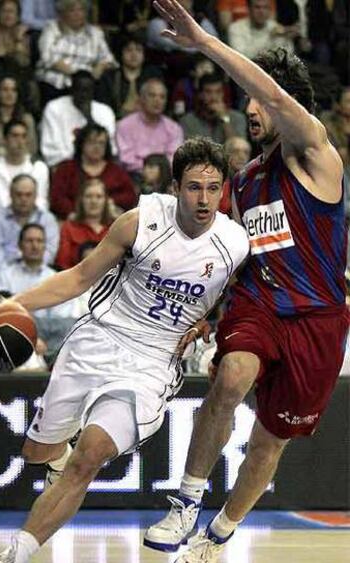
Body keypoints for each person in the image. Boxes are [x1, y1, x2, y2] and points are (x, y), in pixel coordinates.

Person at [143, 2, 349, 561]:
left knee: (269, 441)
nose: (250, 110)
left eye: (256, 98)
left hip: (318, 318)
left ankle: (220, 533)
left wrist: (206, 43)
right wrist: (201, 315)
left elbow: (280, 100)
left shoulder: (314, 151)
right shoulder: (249, 179)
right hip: (259, 305)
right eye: (247, 101)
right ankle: (186, 499)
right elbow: (235, 259)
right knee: (232, 375)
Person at [0, 136, 250, 563]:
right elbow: (78, 277)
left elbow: (246, 298)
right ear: (174, 188)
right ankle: (59, 460)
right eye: (193, 187)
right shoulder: (140, 221)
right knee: (38, 454)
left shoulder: (234, 243)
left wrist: (214, 323)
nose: (204, 199)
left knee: (88, 458)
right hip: (99, 339)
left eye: (213, 188)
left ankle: (14, 554)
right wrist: (15, 304)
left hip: (151, 363)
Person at [0, 223, 74, 357]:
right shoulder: (5, 275)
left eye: (39, 241)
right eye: (29, 241)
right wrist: (29, 336)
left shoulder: (56, 277)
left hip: (49, 340)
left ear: (45, 246)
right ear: (20, 245)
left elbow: (61, 320)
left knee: (69, 325)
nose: (35, 246)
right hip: (12, 335)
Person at [36, 0, 116, 105]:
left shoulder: (95, 33)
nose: (77, 14)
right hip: (57, 80)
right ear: (63, 13)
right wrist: (76, 75)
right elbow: (46, 57)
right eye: (72, 10)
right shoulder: (52, 29)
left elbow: (108, 58)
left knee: (102, 84)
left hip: (89, 80)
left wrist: (98, 68)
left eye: (81, 10)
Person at [50, 123, 136, 220]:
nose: (97, 147)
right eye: (92, 142)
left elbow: (130, 196)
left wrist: (107, 203)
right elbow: (57, 198)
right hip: (73, 219)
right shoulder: (66, 169)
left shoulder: (116, 171)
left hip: (109, 220)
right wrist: (77, 211)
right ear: (81, 144)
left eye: (101, 143)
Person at [0, 174, 59, 275]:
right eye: (19, 194)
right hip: (3, 277)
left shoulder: (48, 219)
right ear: (10, 195)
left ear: (36, 196)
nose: (23, 199)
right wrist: (10, 276)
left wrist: (31, 271)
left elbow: (49, 253)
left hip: (39, 276)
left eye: (28, 195)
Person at [40, 70, 116, 167]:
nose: (84, 95)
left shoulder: (105, 111)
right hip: (66, 166)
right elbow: (51, 152)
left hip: (99, 166)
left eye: (87, 90)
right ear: (72, 90)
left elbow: (111, 149)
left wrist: (89, 118)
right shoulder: (54, 108)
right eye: (80, 90)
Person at [0, 120, 49, 217]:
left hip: (31, 224)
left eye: (23, 136)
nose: (20, 142)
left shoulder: (39, 168)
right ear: (4, 140)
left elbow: (41, 204)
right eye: (15, 136)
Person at [116, 77, 184, 175]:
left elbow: (174, 159)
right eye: (152, 95)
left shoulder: (174, 128)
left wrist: (156, 171)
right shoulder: (125, 125)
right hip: (134, 176)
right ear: (142, 98)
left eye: (162, 97)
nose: (157, 100)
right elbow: (126, 159)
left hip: (166, 177)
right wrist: (149, 170)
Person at [55, 178, 114, 270]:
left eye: (99, 196)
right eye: (88, 196)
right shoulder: (69, 228)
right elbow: (63, 263)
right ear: (81, 200)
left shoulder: (115, 228)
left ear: (106, 201)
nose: (93, 201)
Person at [0, 76, 37, 163]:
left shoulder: (27, 119)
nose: (10, 94)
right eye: (5, 90)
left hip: (22, 165)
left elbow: (31, 151)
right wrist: (13, 151)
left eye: (14, 90)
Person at [180, 72, 247, 143]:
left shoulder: (238, 118)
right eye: (208, 92)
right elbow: (190, 151)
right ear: (200, 94)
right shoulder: (188, 121)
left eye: (218, 92)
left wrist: (225, 119)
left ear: (223, 94)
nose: (214, 97)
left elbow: (238, 150)